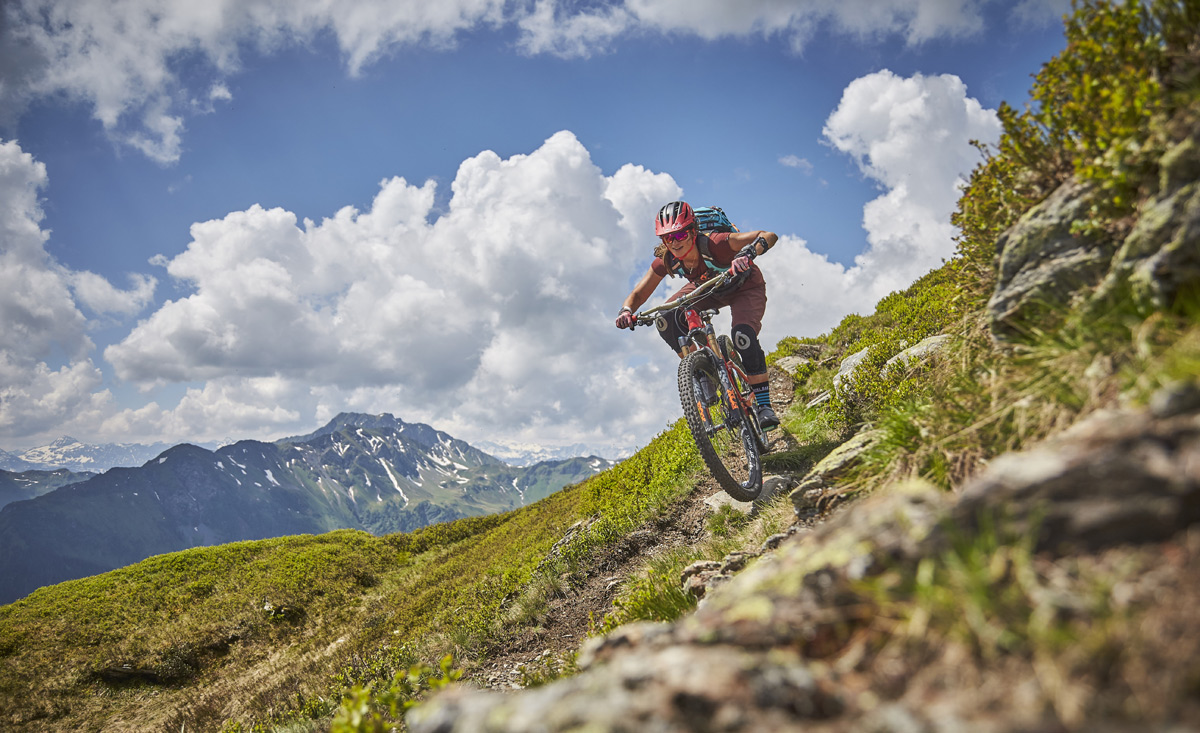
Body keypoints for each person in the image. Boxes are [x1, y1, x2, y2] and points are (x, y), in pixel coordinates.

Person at [615, 200, 781, 430]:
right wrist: (626, 311)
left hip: (745, 287)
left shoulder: (716, 243)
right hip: (709, 289)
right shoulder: (668, 259)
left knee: (743, 335)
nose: (675, 242)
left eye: (681, 234)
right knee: (666, 318)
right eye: (668, 237)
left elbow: (768, 235)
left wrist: (748, 252)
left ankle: (764, 406)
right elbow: (638, 294)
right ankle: (705, 372)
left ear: (693, 231)